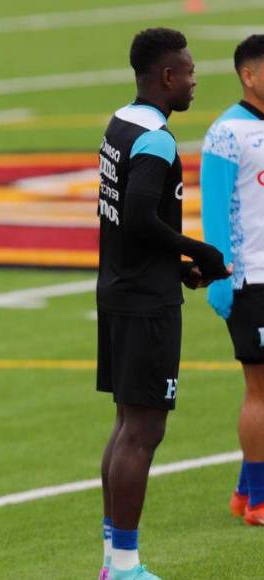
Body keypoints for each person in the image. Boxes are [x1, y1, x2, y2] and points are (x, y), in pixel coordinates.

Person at [95, 28, 230, 580]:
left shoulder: (119, 123)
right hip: (146, 304)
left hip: (120, 287)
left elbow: (125, 227)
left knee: (127, 424)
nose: (196, 82)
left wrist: (177, 267)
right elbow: (142, 218)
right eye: (190, 72)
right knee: (144, 429)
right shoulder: (156, 140)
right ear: (167, 77)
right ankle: (124, 566)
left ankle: (112, 561)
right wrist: (200, 249)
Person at [201, 34, 264, 527]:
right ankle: (260, 502)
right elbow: (215, 212)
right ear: (248, 75)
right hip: (252, 281)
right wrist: (221, 279)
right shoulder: (227, 133)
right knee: (259, 389)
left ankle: (245, 493)